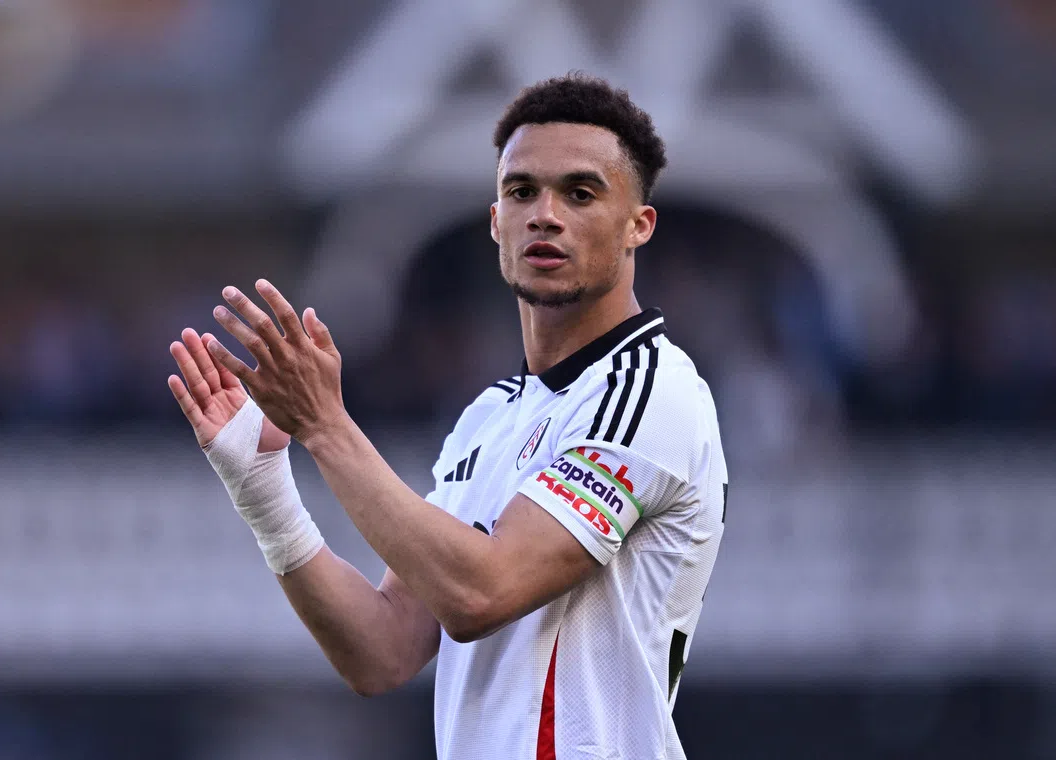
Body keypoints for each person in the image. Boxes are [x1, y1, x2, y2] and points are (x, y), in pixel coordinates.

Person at [167, 73, 728, 760]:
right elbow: (384, 652)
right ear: (496, 221)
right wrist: (265, 490)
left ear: (638, 224)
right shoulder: (489, 418)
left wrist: (326, 426)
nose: (544, 214)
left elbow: (481, 592)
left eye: (580, 193)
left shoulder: (652, 392)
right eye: (521, 191)